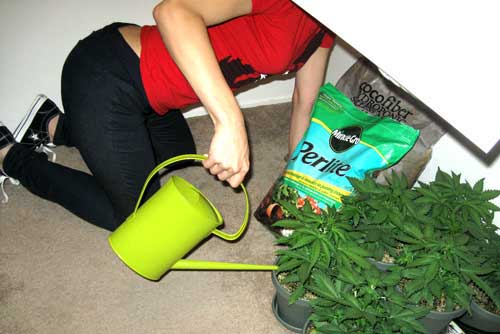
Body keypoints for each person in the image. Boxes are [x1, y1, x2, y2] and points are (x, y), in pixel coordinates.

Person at [0, 0, 334, 231]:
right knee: (136, 216)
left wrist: (300, 181)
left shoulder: (325, 28)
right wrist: (230, 121)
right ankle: (11, 156)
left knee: (176, 158)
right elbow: (172, 12)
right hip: (107, 76)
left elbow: (305, 101)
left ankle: (54, 125)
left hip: (151, 101)